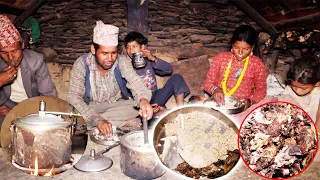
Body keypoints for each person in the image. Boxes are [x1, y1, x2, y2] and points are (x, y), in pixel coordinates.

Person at [67, 22, 153, 135]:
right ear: (93, 49)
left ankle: (88, 125)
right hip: (91, 106)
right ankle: (118, 123)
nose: (110, 58)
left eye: (113, 53)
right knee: (74, 111)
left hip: (115, 105)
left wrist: (143, 100)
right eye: (104, 53)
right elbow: (74, 97)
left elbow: (135, 81)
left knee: (134, 107)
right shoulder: (82, 64)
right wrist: (97, 120)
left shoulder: (121, 61)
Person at [0, 14, 57, 126]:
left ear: (22, 45)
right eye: (4, 53)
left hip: (31, 107)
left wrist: (16, 113)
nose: (10, 58)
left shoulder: (35, 61)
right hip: (4, 107)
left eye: (15, 51)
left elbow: (50, 97)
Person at [203, 25, 266, 109]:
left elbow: (261, 90)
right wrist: (215, 89)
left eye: (246, 49)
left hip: (244, 107)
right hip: (219, 103)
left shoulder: (257, 64)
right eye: (236, 47)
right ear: (232, 45)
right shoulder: (221, 59)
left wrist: (250, 103)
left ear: (252, 48)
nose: (240, 52)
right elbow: (208, 83)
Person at [124, 31, 190, 108]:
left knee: (177, 78)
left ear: (142, 47)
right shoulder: (126, 66)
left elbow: (169, 69)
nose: (131, 50)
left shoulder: (148, 61)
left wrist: (153, 58)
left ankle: (180, 109)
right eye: (128, 47)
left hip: (155, 96)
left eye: (134, 46)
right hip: (139, 101)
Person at [278, 56, 320, 131]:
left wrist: (317, 133)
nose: (297, 91)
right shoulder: (289, 91)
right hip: (295, 120)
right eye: (294, 86)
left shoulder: (317, 93)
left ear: (317, 84)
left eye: (303, 88)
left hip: (313, 122)